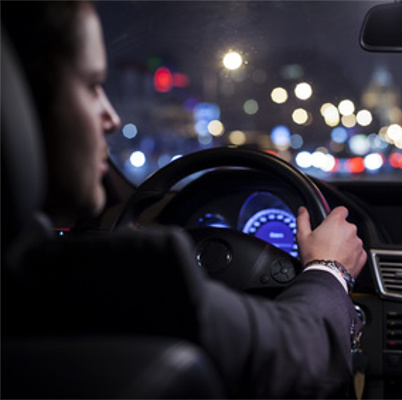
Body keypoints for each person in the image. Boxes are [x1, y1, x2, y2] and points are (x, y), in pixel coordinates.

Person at [1, 1, 367, 398]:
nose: (111, 117)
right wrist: (329, 268)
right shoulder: (130, 276)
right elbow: (297, 355)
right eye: (91, 86)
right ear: (19, 110)